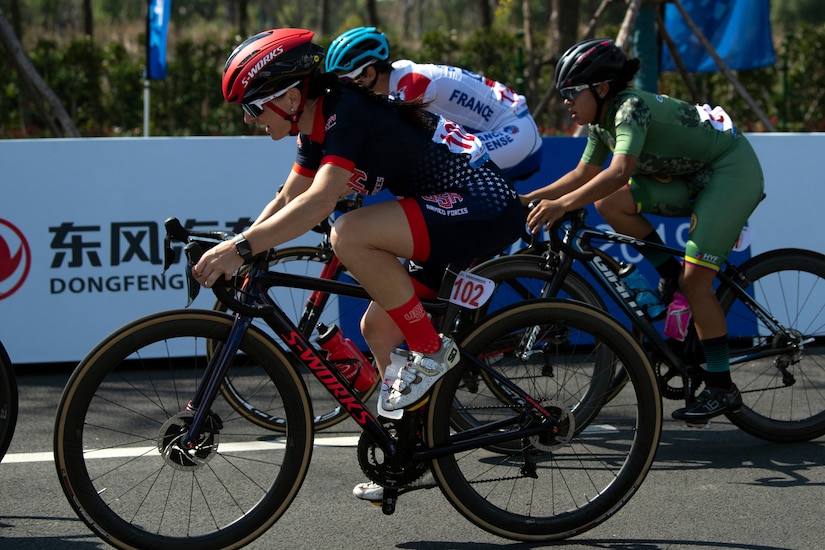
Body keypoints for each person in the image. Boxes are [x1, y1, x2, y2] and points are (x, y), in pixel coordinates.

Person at [193, 28, 523, 500]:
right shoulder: (315, 125)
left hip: (482, 202)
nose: (249, 120)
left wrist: (241, 248)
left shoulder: (345, 112)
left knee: (349, 233)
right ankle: (414, 452)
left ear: (287, 96)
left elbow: (322, 201)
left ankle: (431, 350)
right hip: (450, 204)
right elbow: (290, 197)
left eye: (251, 107)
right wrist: (238, 244)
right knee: (379, 330)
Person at [521, 38, 764, 423]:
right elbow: (583, 174)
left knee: (697, 283)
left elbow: (619, 171)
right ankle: (670, 277)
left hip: (729, 171)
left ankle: (722, 389)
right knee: (610, 202)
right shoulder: (601, 122)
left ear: (601, 89)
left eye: (571, 92)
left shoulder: (629, 109)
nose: (565, 101)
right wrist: (530, 198)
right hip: (691, 174)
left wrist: (563, 205)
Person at [324, 26, 543, 181]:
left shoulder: (412, 86)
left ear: (369, 73)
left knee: (435, 172)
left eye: (346, 80)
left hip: (515, 132)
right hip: (507, 127)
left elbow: (395, 148)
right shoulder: (398, 78)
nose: (343, 89)